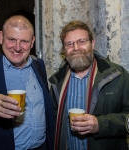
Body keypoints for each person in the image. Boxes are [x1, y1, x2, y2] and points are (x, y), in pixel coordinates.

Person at [49, 20, 129, 150]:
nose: (76, 48)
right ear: (64, 50)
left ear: (92, 43)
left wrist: (100, 124)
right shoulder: (56, 83)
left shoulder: (118, 75)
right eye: (69, 44)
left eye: (81, 41)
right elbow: (52, 122)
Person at [0, 15, 54, 150]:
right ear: (1, 37)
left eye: (24, 41)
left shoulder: (38, 65)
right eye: (12, 39)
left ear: (32, 42)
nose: (17, 47)